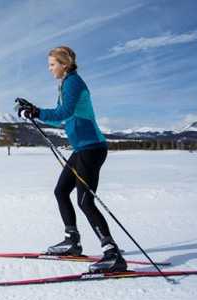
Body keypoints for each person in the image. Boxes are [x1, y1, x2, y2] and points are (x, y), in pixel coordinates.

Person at [15, 46, 127, 273]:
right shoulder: (66, 84)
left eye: (52, 64)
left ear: (64, 64)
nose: (50, 69)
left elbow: (63, 113)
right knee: (61, 191)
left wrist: (36, 111)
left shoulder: (73, 83)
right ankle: (72, 241)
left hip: (91, 148)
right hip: (82, 149)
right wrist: (33, 111)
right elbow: (60, 119)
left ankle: (113, 254)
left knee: (85, 201)